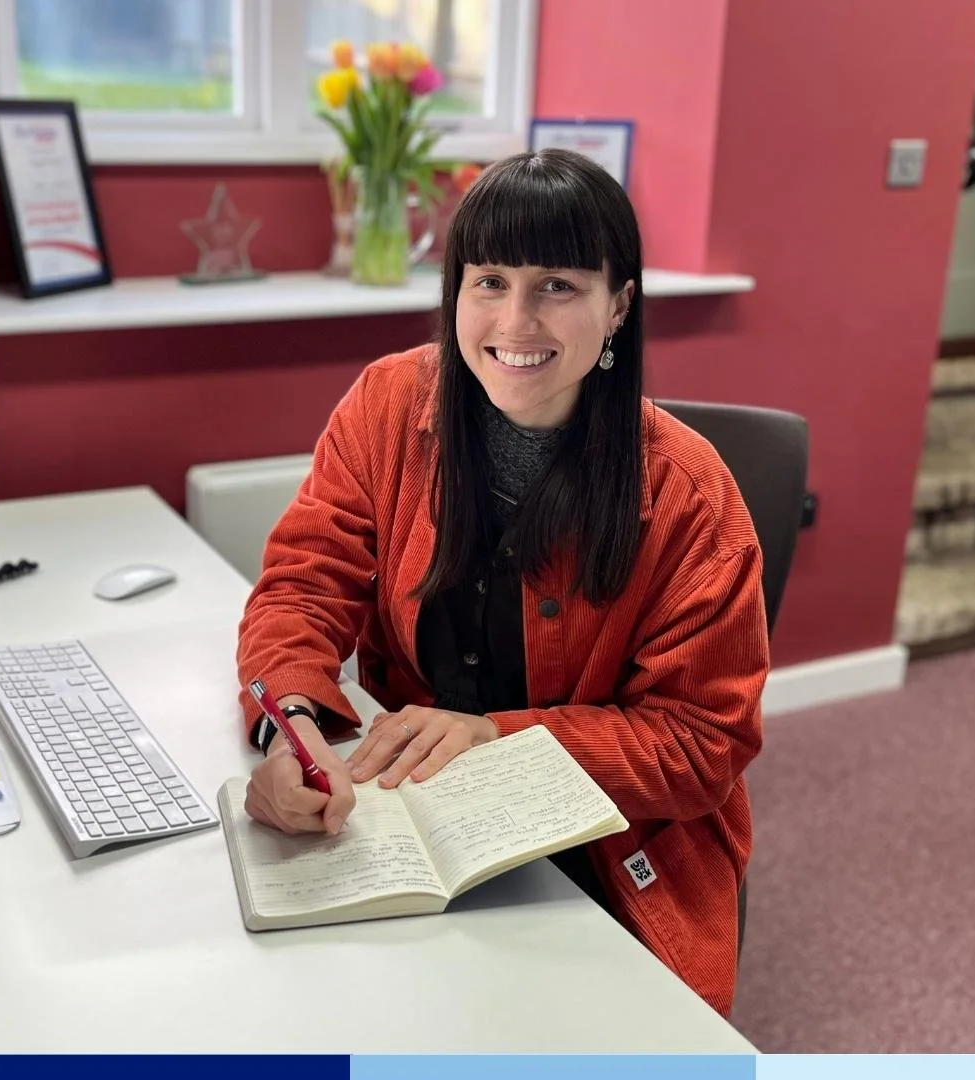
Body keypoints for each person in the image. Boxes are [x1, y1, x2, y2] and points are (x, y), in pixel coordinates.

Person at [232, 147, 768, 1017]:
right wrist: (290, 725)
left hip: (607, 844)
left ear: (619, 304)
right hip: (414, 812)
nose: (516, 321)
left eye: (557, 285)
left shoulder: (690, 493)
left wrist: (495, 737)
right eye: (489, 282)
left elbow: (702, 744)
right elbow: (303, 585)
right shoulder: (386, 404)